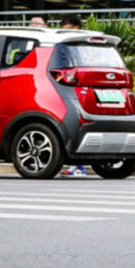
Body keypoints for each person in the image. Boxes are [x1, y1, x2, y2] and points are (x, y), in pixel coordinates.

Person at [60, 13, 86, 176]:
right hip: (74, 91)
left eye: (69, 29)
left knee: (78, 127)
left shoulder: (78, 45)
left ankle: (78, 166)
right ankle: (76, 166)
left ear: (77, 27)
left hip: (79, 91)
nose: (66, 32)